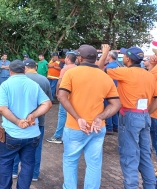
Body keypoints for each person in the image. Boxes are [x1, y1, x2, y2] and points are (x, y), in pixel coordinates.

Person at [58, 44, 120, 189]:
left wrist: (78, 117)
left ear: (79, 57)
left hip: (75, 127)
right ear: (94, 58)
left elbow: (62, 96)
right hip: (97, 128)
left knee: (70, 160)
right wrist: (100, 117)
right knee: (94, 163)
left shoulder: (71, 73)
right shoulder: (105, 77)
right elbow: (116, 104)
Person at [100, 45, 157, 189]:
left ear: (128, 58)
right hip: (145, 116)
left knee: (129, 155)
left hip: (130, 116)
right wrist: (146, 112)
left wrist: (105, 52)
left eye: (125, 55)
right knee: (145, 155)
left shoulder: (125, 72)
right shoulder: (149, 75)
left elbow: (99, 69)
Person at [0, 60, 52, 189]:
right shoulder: (33, 85)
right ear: (24, 70)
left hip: (11, 134)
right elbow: (47, 104)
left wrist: (17, 121)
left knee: (5, 163)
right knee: (28, 165)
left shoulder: (5, 85)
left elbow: (2, 108)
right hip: (32, 134)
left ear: (10, 71)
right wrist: (33, 115)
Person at [12, 59, 52, 182]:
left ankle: (14, 171)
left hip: (18, 120)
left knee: (16, 147)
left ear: (25, 68)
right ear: (36, 67)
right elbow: (49, 101)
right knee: (37, 148)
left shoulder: (16, 81)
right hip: (38, 120)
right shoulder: (44, 80)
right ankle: (34, 174)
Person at [46, 51, 77, 144]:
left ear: (68, 58)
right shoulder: (77, 68)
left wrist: (57, 93)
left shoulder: (65, 69)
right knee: (71, 114)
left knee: (62, 114)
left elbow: (59, 83)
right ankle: (68, 136)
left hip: (65, 95)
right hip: (74, 96)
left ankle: (58, 136)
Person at [101, 49, 120, 135]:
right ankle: (116, 126)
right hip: (117, 90)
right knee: (114, 108)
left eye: (108, 55)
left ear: (110, 56)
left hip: (109, 91)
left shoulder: (108, 68)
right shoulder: (118, 66)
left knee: (108, 108)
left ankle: (109, 128)